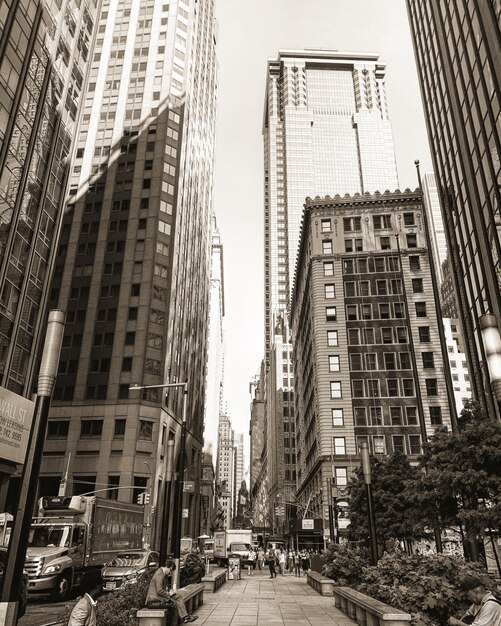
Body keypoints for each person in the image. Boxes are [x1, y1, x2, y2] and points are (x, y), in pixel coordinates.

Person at [146, 557, 198, 624]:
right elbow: (159, 591)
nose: (170, 573)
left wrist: (170, 591)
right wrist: (169, 594)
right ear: (167, 567)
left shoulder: (163, 574)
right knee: (174, 603)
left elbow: (164, 587)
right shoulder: (159, 574)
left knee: (178, 597)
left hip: (159, 596)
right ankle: (181, 619)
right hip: (154, 599)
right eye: (170, 570)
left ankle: (185, 617)